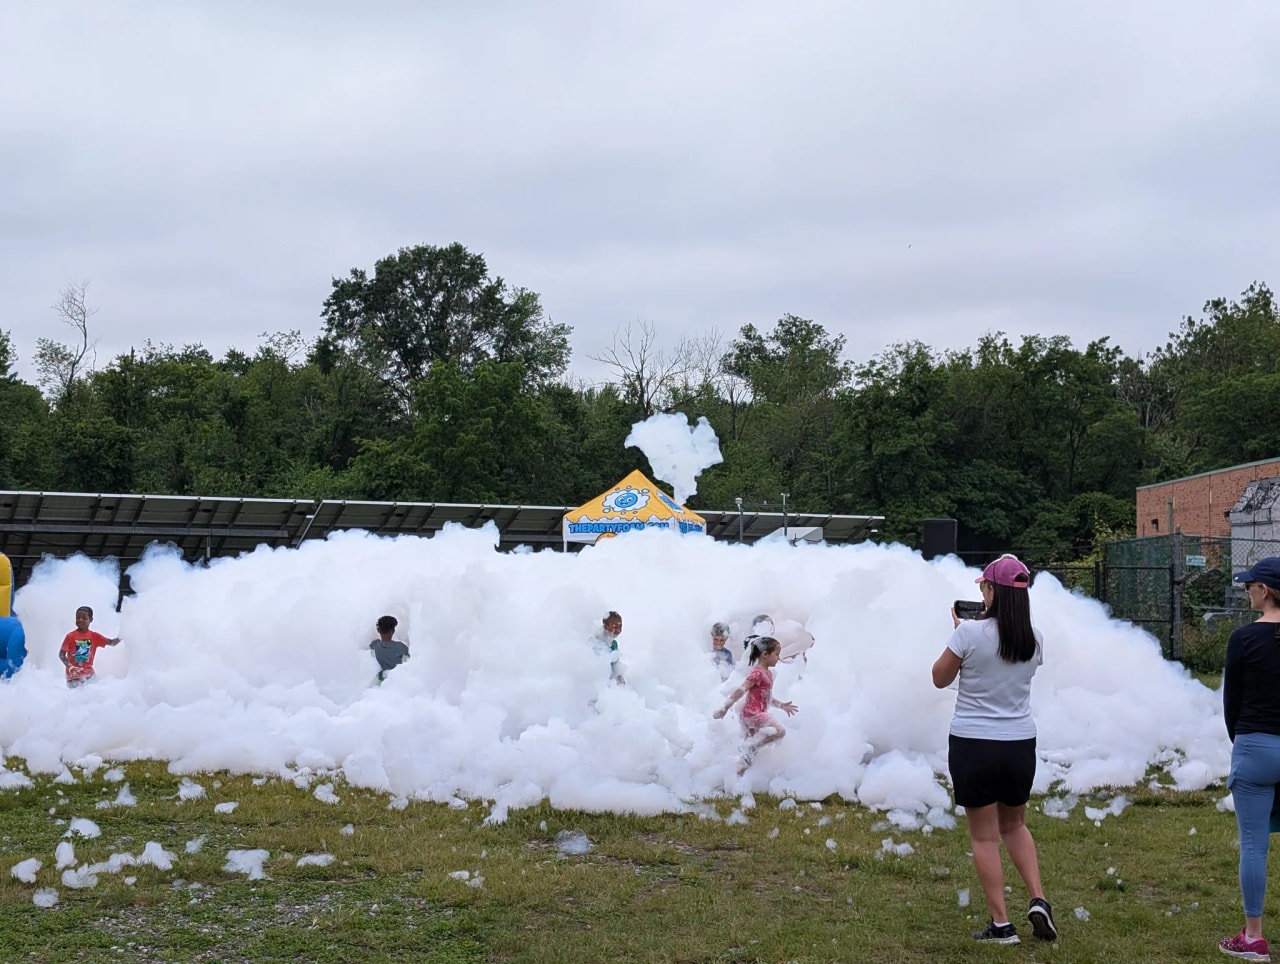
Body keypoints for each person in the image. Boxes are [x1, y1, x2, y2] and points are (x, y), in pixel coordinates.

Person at [931, 554, 1056, 946]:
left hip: (974, 744)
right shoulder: (1034, 639)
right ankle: (1039, 899)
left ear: (991, 590)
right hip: (1020, 743)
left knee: (985, 837)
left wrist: (958, 633)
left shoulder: (968, 634)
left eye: (984, 587)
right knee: (1015, 825)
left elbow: (939, 678)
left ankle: (1001, 925)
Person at [1218, 557, 1280, 961]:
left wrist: (1241, 743)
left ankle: (1254, 937)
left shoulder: (1243, 639)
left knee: (1255, 845)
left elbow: (1231, 704)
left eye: (1250, 585)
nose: (1246, 591)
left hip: (1256, 746)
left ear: (1265, 591)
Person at [713, 635, 797, 775]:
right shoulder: (757, 673)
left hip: (755, 714)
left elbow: (766, 696)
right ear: (765, 655)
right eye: (776, 654)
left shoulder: (768, 674)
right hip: (752, 714)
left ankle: (735, 778)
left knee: (747, 759)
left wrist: (782, 705)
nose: (778, 658)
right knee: (779, 731)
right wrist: (725, 707)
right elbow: (741, 690)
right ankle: (750, 747)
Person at [59, 606, 121, 689]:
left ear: (91, 620)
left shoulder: (94, 636)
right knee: (78, 700)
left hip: (90, 676)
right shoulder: (70, 636)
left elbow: (112, 643)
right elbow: (61, 655)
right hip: (74, 679)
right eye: (78, 618)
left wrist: (123, 635)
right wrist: (70, 667)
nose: (80, 620)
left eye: (84, 618)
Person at [369, 615, 410, 683]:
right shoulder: (400, 647)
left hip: (381, 678)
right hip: (396, 678)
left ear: (378, 630)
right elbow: (410, 656)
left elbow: (368, 646)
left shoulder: (375, 644)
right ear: (393, 631)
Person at [591, 611, 625, 685]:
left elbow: (614, 665)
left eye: (620, 626)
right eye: (615, 627)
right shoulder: (595, 643)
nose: (618, 630)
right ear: (605, 626)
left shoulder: (613, 644)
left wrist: (619, 676)